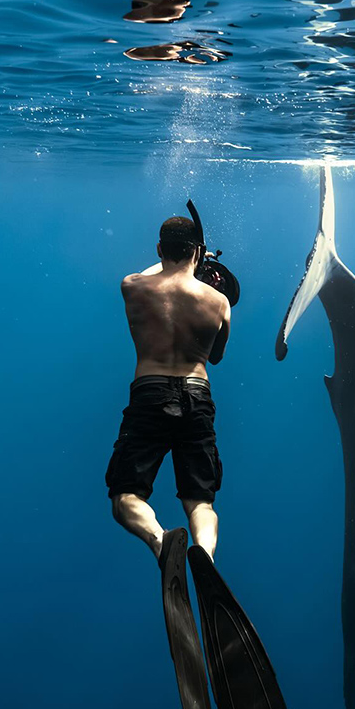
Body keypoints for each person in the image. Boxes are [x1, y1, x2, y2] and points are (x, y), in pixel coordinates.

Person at [105, 215, 230, 561]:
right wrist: (201, 271)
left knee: (126, 497)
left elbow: (151, 275)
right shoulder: (219, 302)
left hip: (150, 392)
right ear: (197, 252)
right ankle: (204, 555)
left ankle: (161, 543)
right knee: (200, 501)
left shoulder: (133, 287)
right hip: (197, 394)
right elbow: (215, 357)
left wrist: (184, 260)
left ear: (159, 248)